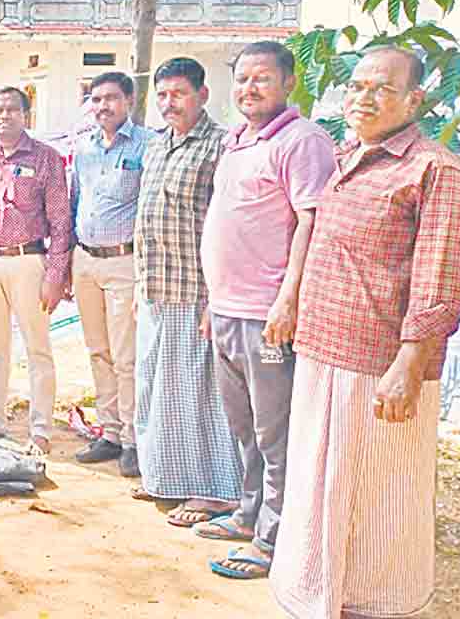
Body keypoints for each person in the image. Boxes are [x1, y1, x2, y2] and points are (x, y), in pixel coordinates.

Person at [271, 47, 460, 618]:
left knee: (382, 493)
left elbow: (439, 279)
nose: (362, 98)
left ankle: (374, 602)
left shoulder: (437, 172)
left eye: (380, 89)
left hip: (380, 366)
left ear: (416, 101)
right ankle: (317, 591)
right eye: (356, 86)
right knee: (320, 484)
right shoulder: (346, 158)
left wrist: (409, 364)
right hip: (323, 351)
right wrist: (290, 303)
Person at [196, 43, 337, 580]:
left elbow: (311, 223)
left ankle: (273, 540)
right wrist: (212, 300)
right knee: (245, 429)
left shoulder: (303, 141)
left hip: (267, 315)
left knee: (276, 434)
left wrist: (289, 299)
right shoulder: (237, 143)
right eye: (243, 79)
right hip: (227, 311)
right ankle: (248, 513)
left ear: (288, 84)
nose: (249, 89)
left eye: (262, 79)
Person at [133, 58, 242, 525]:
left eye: (178, 94)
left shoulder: (221, 146)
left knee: (199, 396)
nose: (168, 103)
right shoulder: (158, 146)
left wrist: (214, 299)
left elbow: (228, 227)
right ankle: (162, 476)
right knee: (155, 387)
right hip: (156, 288)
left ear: (202, 95)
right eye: (161, 95)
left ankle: (214, 490)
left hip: (195, 293)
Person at [0, 86, 71, 455]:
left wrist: (54, 276)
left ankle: (40, 429)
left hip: (27, 262)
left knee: (37, 349)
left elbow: (61, 223)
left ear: (26, 115)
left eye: (11, 110)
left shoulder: (47, 159)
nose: (3, 117)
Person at [68, 72, 154, 477]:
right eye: (97, 99)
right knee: (97, 351)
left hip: (124, 263)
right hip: (85, 260)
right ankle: (110, 432)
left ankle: (135, 440)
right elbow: (75, 202)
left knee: (125, 356)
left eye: (111, 99)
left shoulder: (148, 145)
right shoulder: (83, 146)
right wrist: (68, 261)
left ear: (129, 101)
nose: (103, 106)